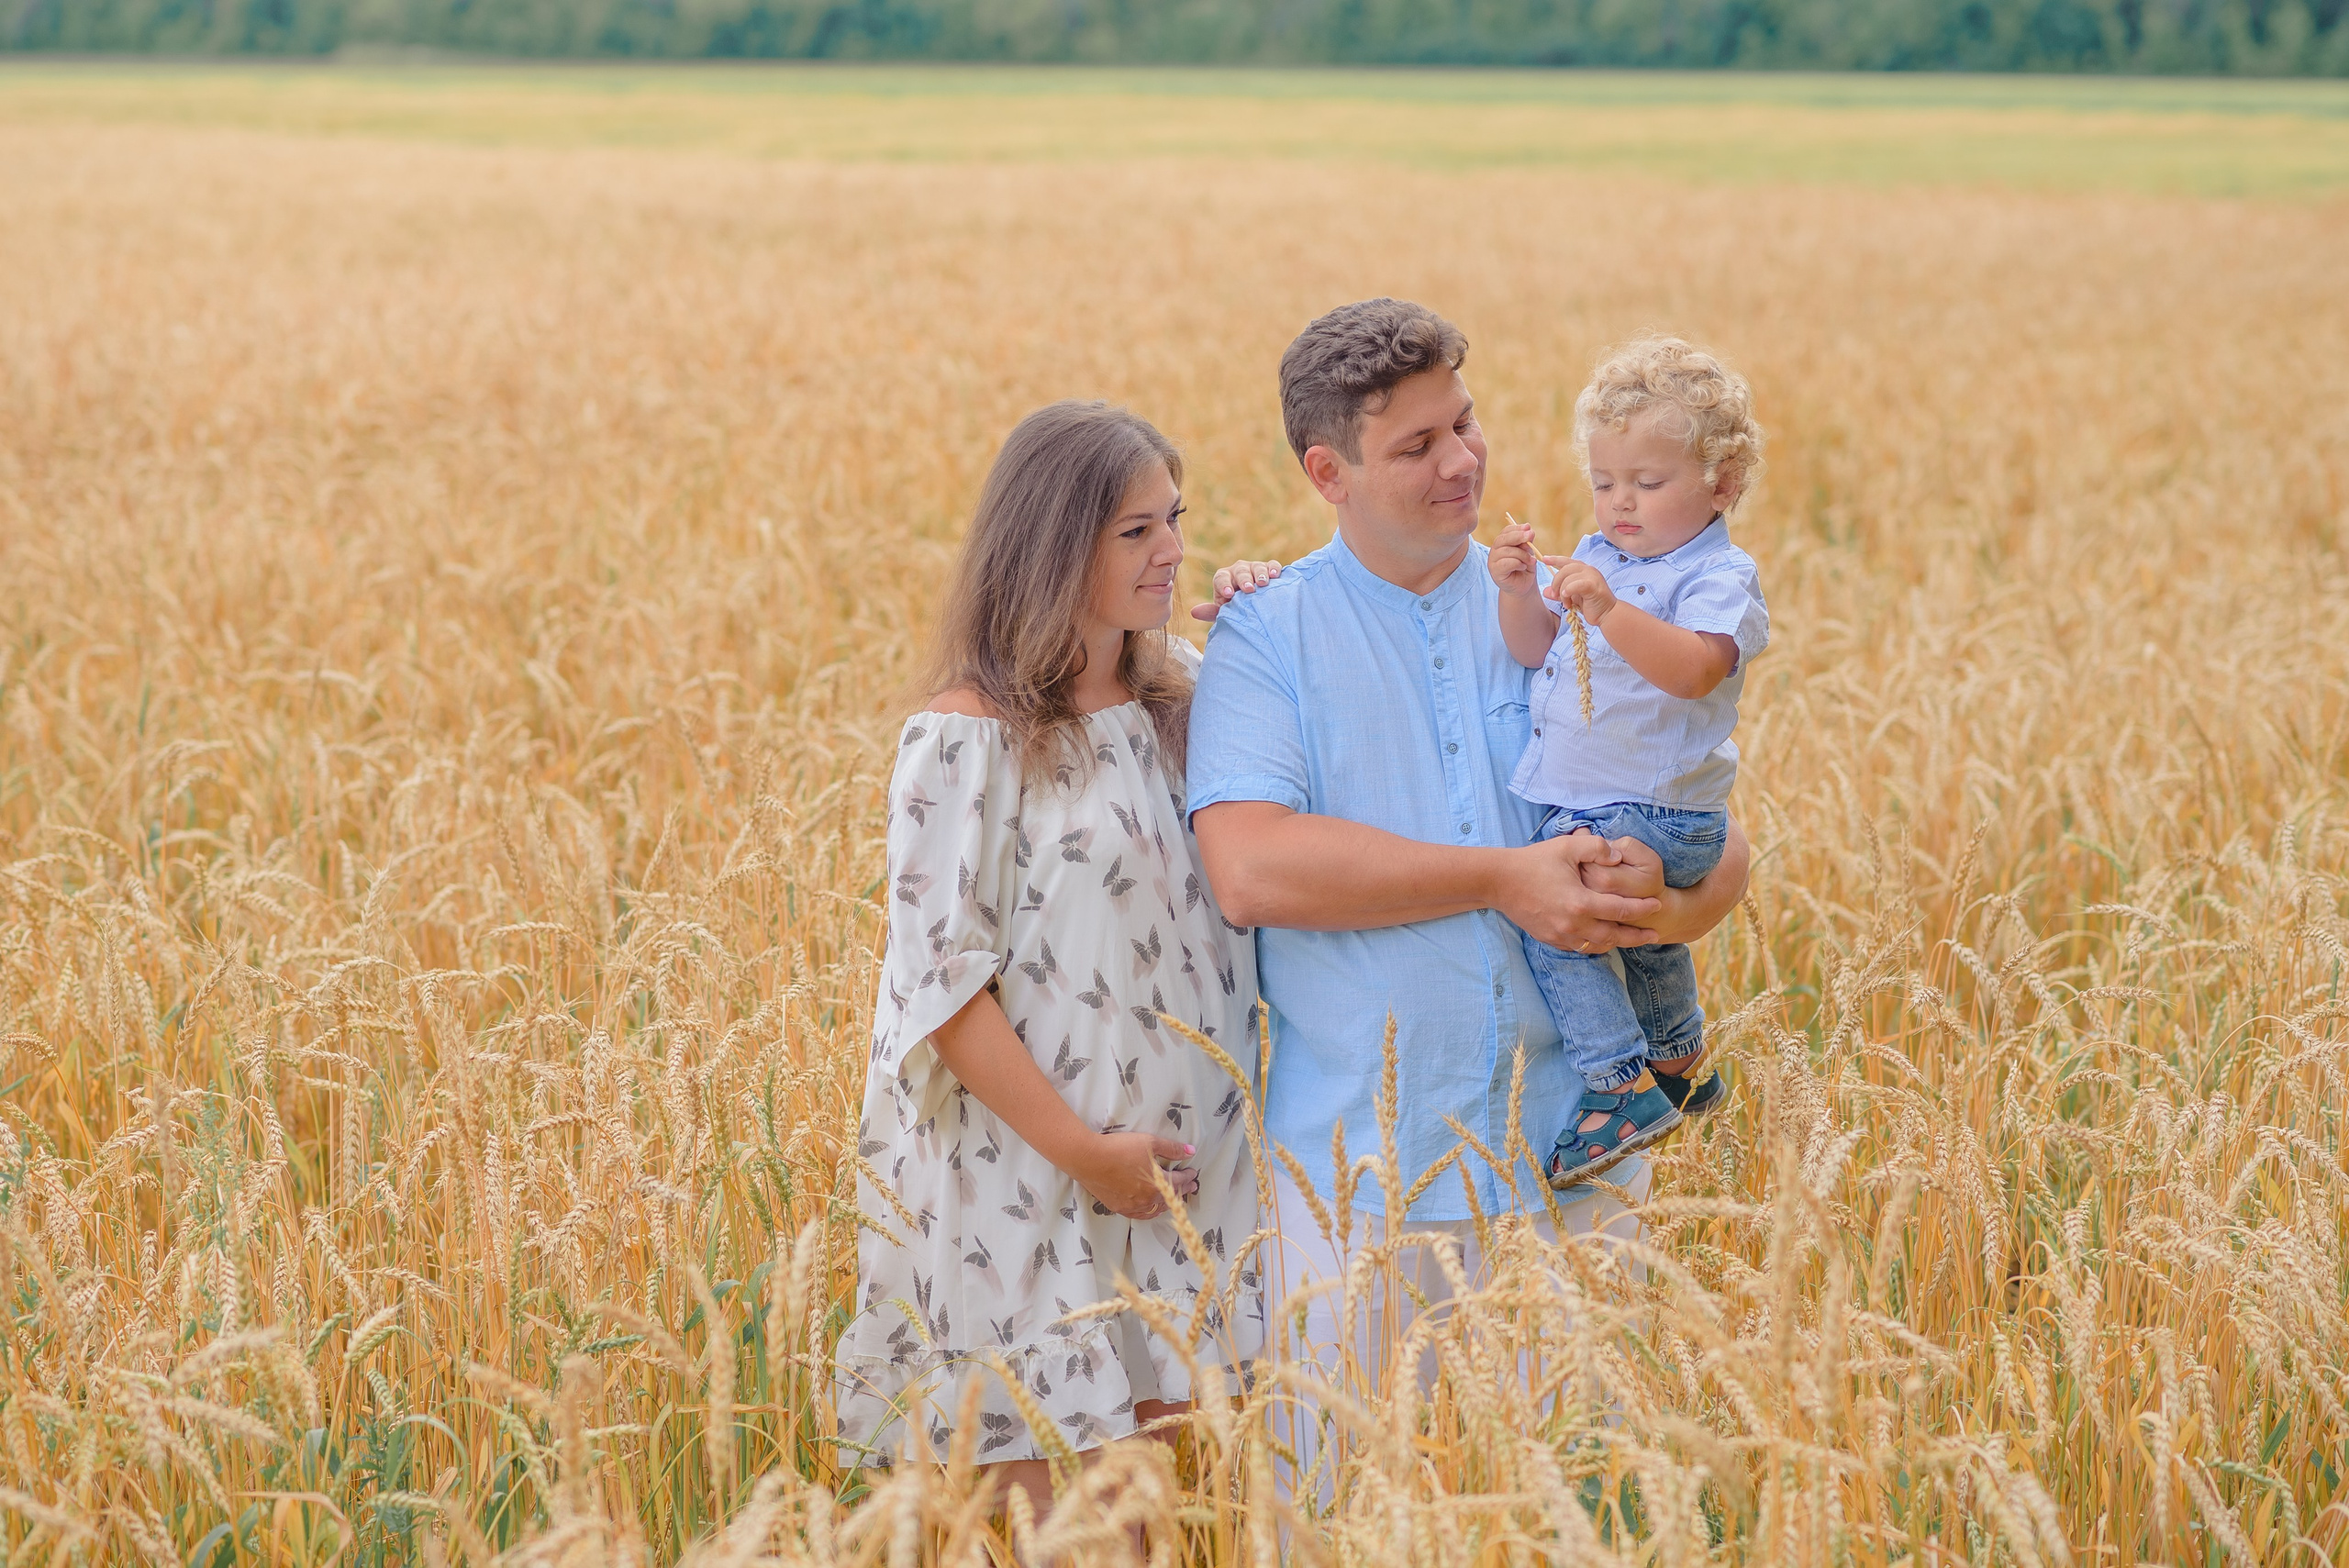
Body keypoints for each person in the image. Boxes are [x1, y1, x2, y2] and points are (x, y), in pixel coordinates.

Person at [1184, 300, 1750, 1485]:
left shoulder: (1578, 602)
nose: (1463, 462)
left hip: (1575, 1163)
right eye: (1417, 445)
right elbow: (1252, 868)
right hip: (1354, 1187)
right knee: (1327, 1522)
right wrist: (1507, 878)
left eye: (1467, 423)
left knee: (1588, 1518)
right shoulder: (1263, 634)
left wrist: (1672, 904)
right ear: (1326, 472)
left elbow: (1717, 837)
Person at [834, 401, 1264, 1527]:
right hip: (1028, 1187)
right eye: (1135, 530)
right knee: (1055, 1537)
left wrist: (1277, 618)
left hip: (1189, 1186)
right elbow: (940, 985)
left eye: (1175, 518)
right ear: (1050, 540)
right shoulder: (964, 738)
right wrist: (1084, 1151)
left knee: (1183, 1529)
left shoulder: (1190, 701)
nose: (1171, 548)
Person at [1489, 335, 1768, 1187]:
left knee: (1556, 917)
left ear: (1721, 483)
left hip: (1656, 808)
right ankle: (1680, 1060)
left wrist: (1608, 609)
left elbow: (1692, 671)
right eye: (1605, 482)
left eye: (1648, 484)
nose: (1621, 503)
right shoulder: (1598, 556)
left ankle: (1616, 1085)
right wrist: (1514, 590)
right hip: (1616, 802)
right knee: (1645, 944)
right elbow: (1538, 647)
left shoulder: (1719, 573)